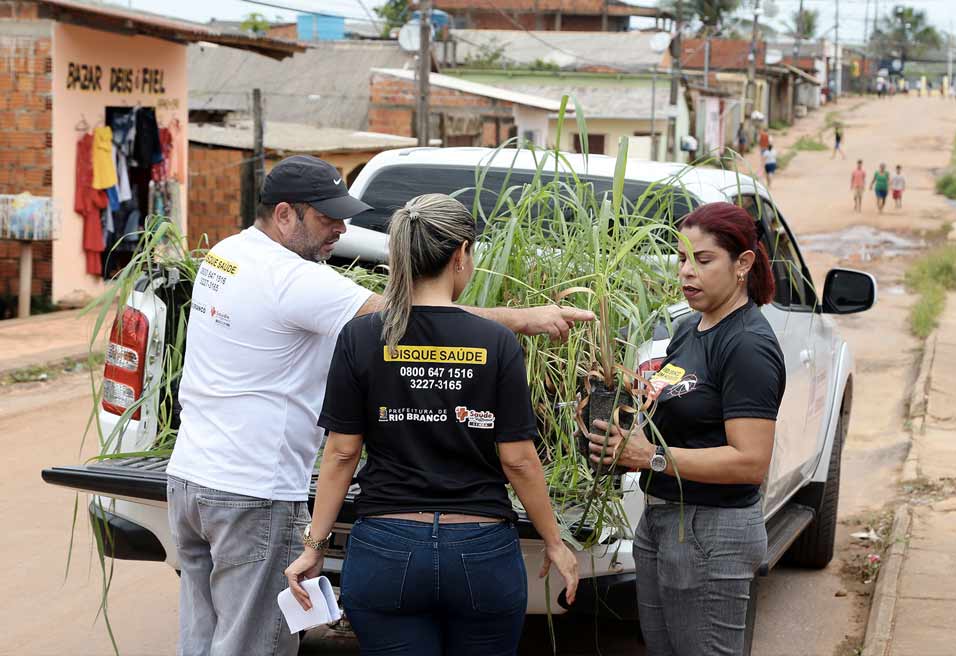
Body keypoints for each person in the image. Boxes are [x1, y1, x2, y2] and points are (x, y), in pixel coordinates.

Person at [165, 156, 591, 656]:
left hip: (191, 479)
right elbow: (413, 318)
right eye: (327, 218)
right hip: (252, 488)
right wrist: (521, 320)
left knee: (201, 634)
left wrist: (315, 542)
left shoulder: (226, 255)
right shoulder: (293, 280)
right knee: (251, 643)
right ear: (285, 215)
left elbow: (345, 449)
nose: (341, 230)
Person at [284, 194, 580, 655]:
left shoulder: (362, 337)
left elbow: (342, 452)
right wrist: (553, 541)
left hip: (386, 551)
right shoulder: (497, 342)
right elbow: (519, 461)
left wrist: (314, 545)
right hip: (480, 551)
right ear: (461, 254)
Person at [586, 202, 785, 656]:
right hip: (663, 521)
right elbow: (677, 406)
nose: (687, 272)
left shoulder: (748, 345)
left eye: (703, 259)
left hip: (712, 531)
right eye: (681, 258)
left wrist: (650, 457)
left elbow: (750, 462)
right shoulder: (687, 329)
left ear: (743, 264)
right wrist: (617, 394)